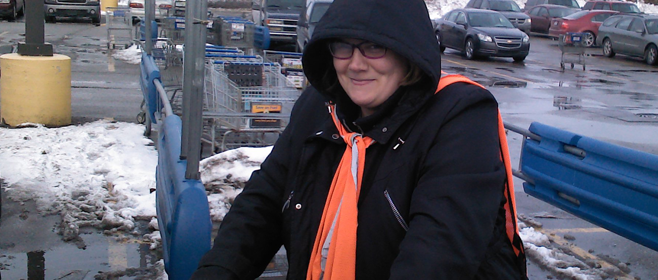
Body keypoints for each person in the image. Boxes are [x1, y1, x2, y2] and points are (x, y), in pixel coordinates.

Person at [191, 0, 527, 279]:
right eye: (342, 45)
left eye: (374, 47)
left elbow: (439, 253)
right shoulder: (320, 106)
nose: (355, 65)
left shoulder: (460, 116)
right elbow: (262, 204)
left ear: (407, 52)